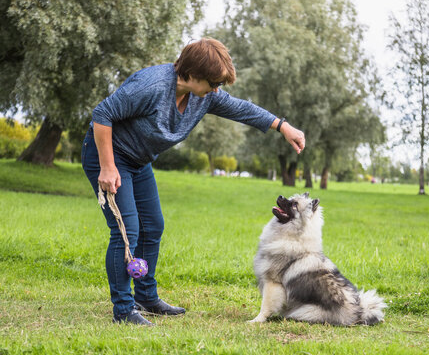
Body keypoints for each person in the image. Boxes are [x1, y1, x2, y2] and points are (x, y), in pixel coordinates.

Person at [82, 38, 305, 326]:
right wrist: (108, 166)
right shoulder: (151, 86)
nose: (216, 89)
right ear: (193, 74)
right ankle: (124, 310)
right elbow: (103, 114)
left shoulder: (204, 96)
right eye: (213, 82)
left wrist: (283, 126)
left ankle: (146, 298)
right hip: (110, 156)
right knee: (128, 231)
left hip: (138, 161)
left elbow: (242, 109)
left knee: (153, 226)